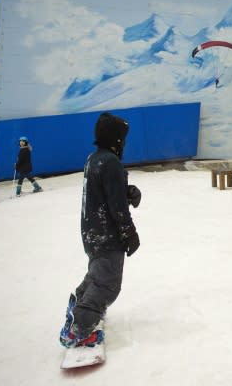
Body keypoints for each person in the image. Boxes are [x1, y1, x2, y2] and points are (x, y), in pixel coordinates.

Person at [59, 112, 142, 348]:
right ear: (116, 139)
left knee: (97, 274)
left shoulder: (95, 158)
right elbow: (116, 206)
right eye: (122, 138)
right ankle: (80, 328)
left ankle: (78, 305)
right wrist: (129, 233)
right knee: (107, 283)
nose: (124, 143)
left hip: (92, 231)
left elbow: (105, 192)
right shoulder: (111, 162)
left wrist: (128, 191)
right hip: (107, 233)